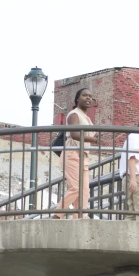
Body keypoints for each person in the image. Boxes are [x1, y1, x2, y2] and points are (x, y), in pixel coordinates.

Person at [53, 88, 97, 219]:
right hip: (72, 154)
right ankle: (57, 215)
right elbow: (74, 134)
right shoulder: (74, 114)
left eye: (90, 96)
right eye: (84, 96)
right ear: (77, 99)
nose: (88, 98)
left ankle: (80, 218)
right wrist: (92, 139)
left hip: (83, 157)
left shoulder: (87, 118)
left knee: (84, 192)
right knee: (76, 188)